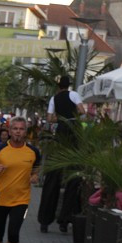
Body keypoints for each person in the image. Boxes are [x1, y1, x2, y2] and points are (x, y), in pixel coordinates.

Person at [38, 75, 86, 233]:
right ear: (69, 85)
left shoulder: (54, 98)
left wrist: (60, 118)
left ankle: (45, 220)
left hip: (60, 132)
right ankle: (65, 220)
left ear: (59, 86)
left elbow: (50, 118)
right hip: (73, 132)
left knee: (54, 176)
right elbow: (82, 111)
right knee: (74, 174)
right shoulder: (74, 95)